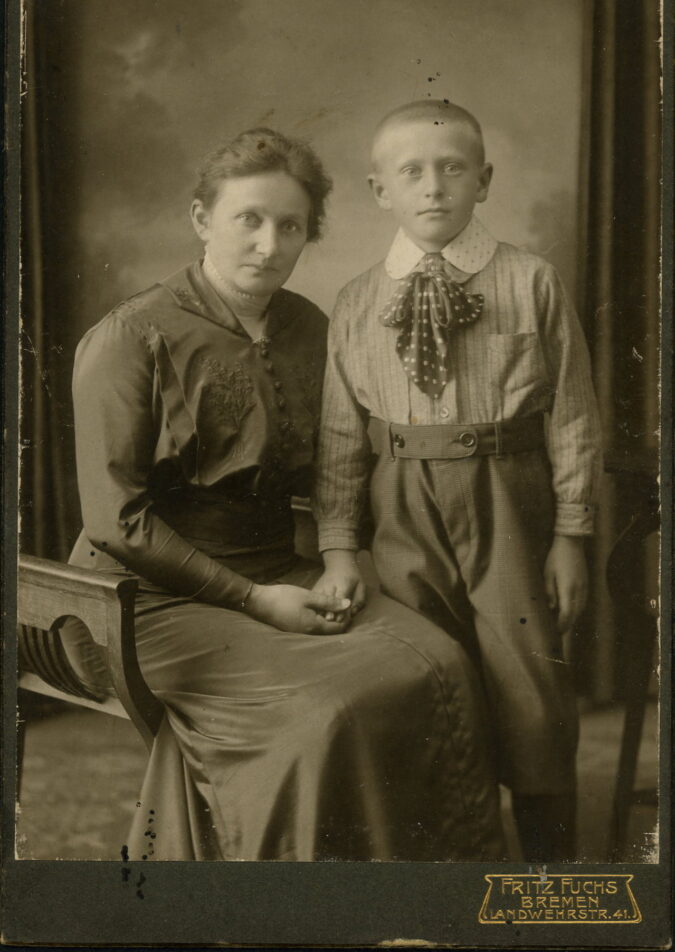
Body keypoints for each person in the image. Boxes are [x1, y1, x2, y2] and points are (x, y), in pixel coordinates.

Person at [62, 126, 506, 862]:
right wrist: (251, 599)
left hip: (282, 571)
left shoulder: (308, 326)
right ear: (203, 220)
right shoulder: (128, 337)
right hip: (141, 601)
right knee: (323, 713)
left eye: (290, 225)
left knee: (442, 662)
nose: (269, 244)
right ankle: (292, 907)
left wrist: (341, 557)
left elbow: (336, 464)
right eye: (248, 219)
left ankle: (420, 892)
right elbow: (116, 520)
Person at [313, 101, 603, 862]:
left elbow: (571, 415)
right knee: (426, 677)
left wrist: (572, 533)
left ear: (484, 179)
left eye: (452, 168)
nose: (433, 187)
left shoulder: (530, 280)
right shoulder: (354, 303)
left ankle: (547, 874)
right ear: (380, 190)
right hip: (401, 500)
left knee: (528, 679)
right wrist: (340, 543)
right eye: (410, 172)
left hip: (507, 494)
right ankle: (449, 855)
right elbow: (343, 439)